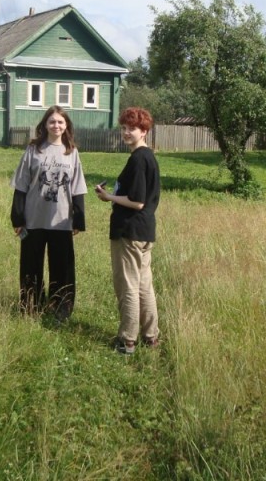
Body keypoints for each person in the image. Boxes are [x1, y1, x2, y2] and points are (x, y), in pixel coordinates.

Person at [10, 105, 87, 321]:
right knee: (30, 266)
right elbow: (21, 185)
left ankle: (60, 307)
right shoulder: (34, 150)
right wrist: (17, 217)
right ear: (45, 124)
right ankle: (31, 306)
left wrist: (78, 219)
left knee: (62, 267)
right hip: (33, 219)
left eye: (60, 122)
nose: (56, 125)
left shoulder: (71, 152)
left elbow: (77, 187)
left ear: (66, 126)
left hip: (61, 220)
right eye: (52, 121)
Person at [95, 107, 160, 354]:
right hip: (144, 231)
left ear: (144, 131)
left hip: (130, 232)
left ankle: (127, 340)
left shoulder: (139, 159)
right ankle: (151, 336)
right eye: (123, 128)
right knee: (144, 285)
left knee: (128, 286)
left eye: (131, 128)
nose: (126, 132)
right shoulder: (147, 157)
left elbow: (137, 201)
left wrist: (108, 196)